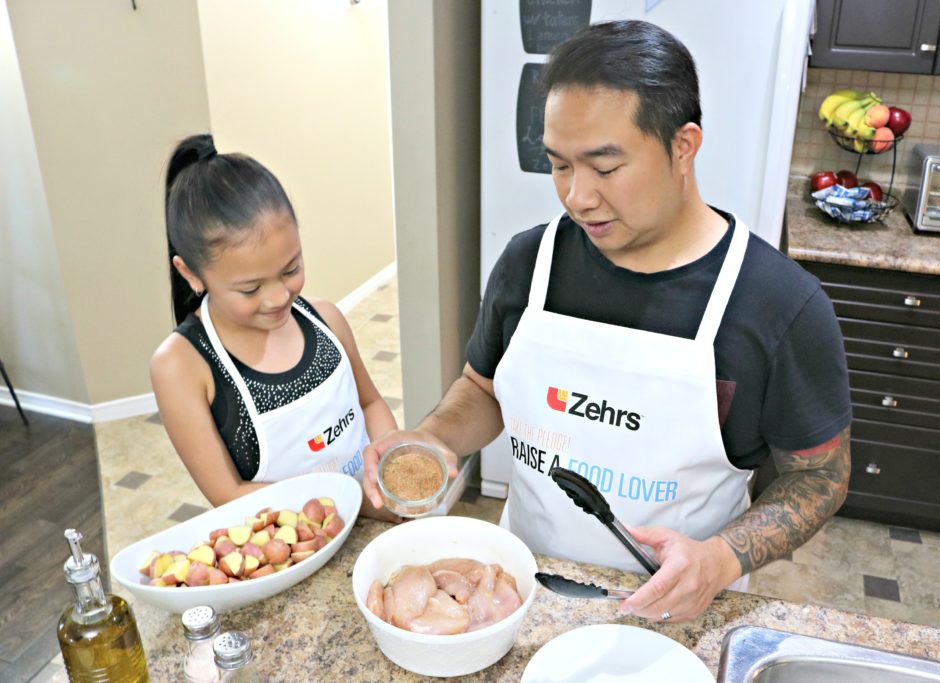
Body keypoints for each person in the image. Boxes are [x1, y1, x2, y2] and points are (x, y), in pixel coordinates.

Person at [363, 20, 852, 620]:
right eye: (561, 166)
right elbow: (482, 390)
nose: (577, 197)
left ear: (683, 146)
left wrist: (720, 559)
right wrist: (433, 440)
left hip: (677, 608)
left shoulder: (777, 304)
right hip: (521, 590)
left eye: (605, 166)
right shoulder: (529, 263)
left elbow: (821, 479)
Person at [151, 134, 398, 519]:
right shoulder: (182, 366)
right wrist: (347, 506)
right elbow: (229, 494)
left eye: (291, 270)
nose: (279, 297)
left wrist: (389, 471)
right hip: (288, 545)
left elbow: (370, 403)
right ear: (191, 274)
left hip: (373, 517)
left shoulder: (326, 319)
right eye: (250, 288)